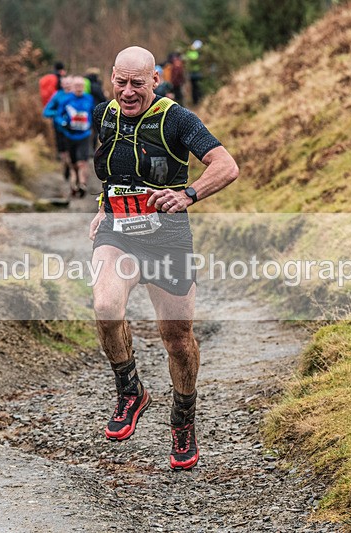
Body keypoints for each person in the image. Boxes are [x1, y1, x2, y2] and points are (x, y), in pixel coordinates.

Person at [89, 46, 238, 470]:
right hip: (119, 233)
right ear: (111, 77)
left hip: (168, 237)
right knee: (105, 305)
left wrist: (188, 193)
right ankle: (130, 390)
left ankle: (183, 421)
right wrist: (104, 207)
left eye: (138, 83)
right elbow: (115, 171)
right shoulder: (104, 115)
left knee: (176, 338)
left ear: (155, 79)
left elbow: (226, 165)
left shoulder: (178, 119)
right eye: (121, 81)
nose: (128, 91)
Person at [55, 76, 94, 197]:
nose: (79, 88)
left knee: (82, 162)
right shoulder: (66, 100)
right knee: (73, 164)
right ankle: (74, 183)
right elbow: (58, 116)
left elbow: (94, 113)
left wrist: (93, 126)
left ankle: (82, 184)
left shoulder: (89, 99)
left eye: (81, 86)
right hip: (69, 136)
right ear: (72, 87)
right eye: (76, 86)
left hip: (84, 135)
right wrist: (63, 123)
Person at [43, 76, 74, 185]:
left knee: (73, 153)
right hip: (60, 128)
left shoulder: (78, 95)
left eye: (69, 83)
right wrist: (58, 115)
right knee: (63, 152)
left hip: (75, 130)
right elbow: (46, 111)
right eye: (65, 83)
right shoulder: (57, 96)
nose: (67, 85)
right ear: (61, 84)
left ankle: (72, 171)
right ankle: (66, 166)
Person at [185, 41, 202, 105]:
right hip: (194, 74)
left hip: (197, 73)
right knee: (195, 88)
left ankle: (198, 100)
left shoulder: (190, 52)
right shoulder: (192, 53)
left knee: (197, 88)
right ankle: (196, 101)